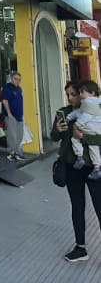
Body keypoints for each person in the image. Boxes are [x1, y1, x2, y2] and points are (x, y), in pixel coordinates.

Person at [51, 81, 101, 263]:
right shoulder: (63, 113)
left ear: (83, 94)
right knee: (77, 206)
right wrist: (57, 130)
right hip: (72, 167)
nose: (71, 98)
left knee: (99, 206)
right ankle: (80, 247)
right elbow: (53, 137)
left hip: (92, 167)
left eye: (74, 94)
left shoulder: (96, 111)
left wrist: (83, 137)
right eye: (68, 95)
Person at [66, 80, 101, 178]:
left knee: (75, 138)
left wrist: (76, 125)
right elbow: (79, 112)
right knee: (94, 149)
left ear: (92, 93)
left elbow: (85, 115)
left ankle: (79, 156)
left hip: (90, 129)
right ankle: (97, 167)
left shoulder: (88, 102)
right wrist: (69, 117)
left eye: (75, 94)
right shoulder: (96, 103)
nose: (80, 95)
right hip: (96, 130)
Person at [2, 72, 24, 161]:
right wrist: (9, 114)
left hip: (19, 117)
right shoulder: (7, 88)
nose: (17, 81)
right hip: (11, 116)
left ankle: (18, 153)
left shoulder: (19, 89)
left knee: (19, 135)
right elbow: (5, 101)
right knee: (12, 136)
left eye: (19, 79)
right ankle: (11, 153)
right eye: (15, 79)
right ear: (11, 79)